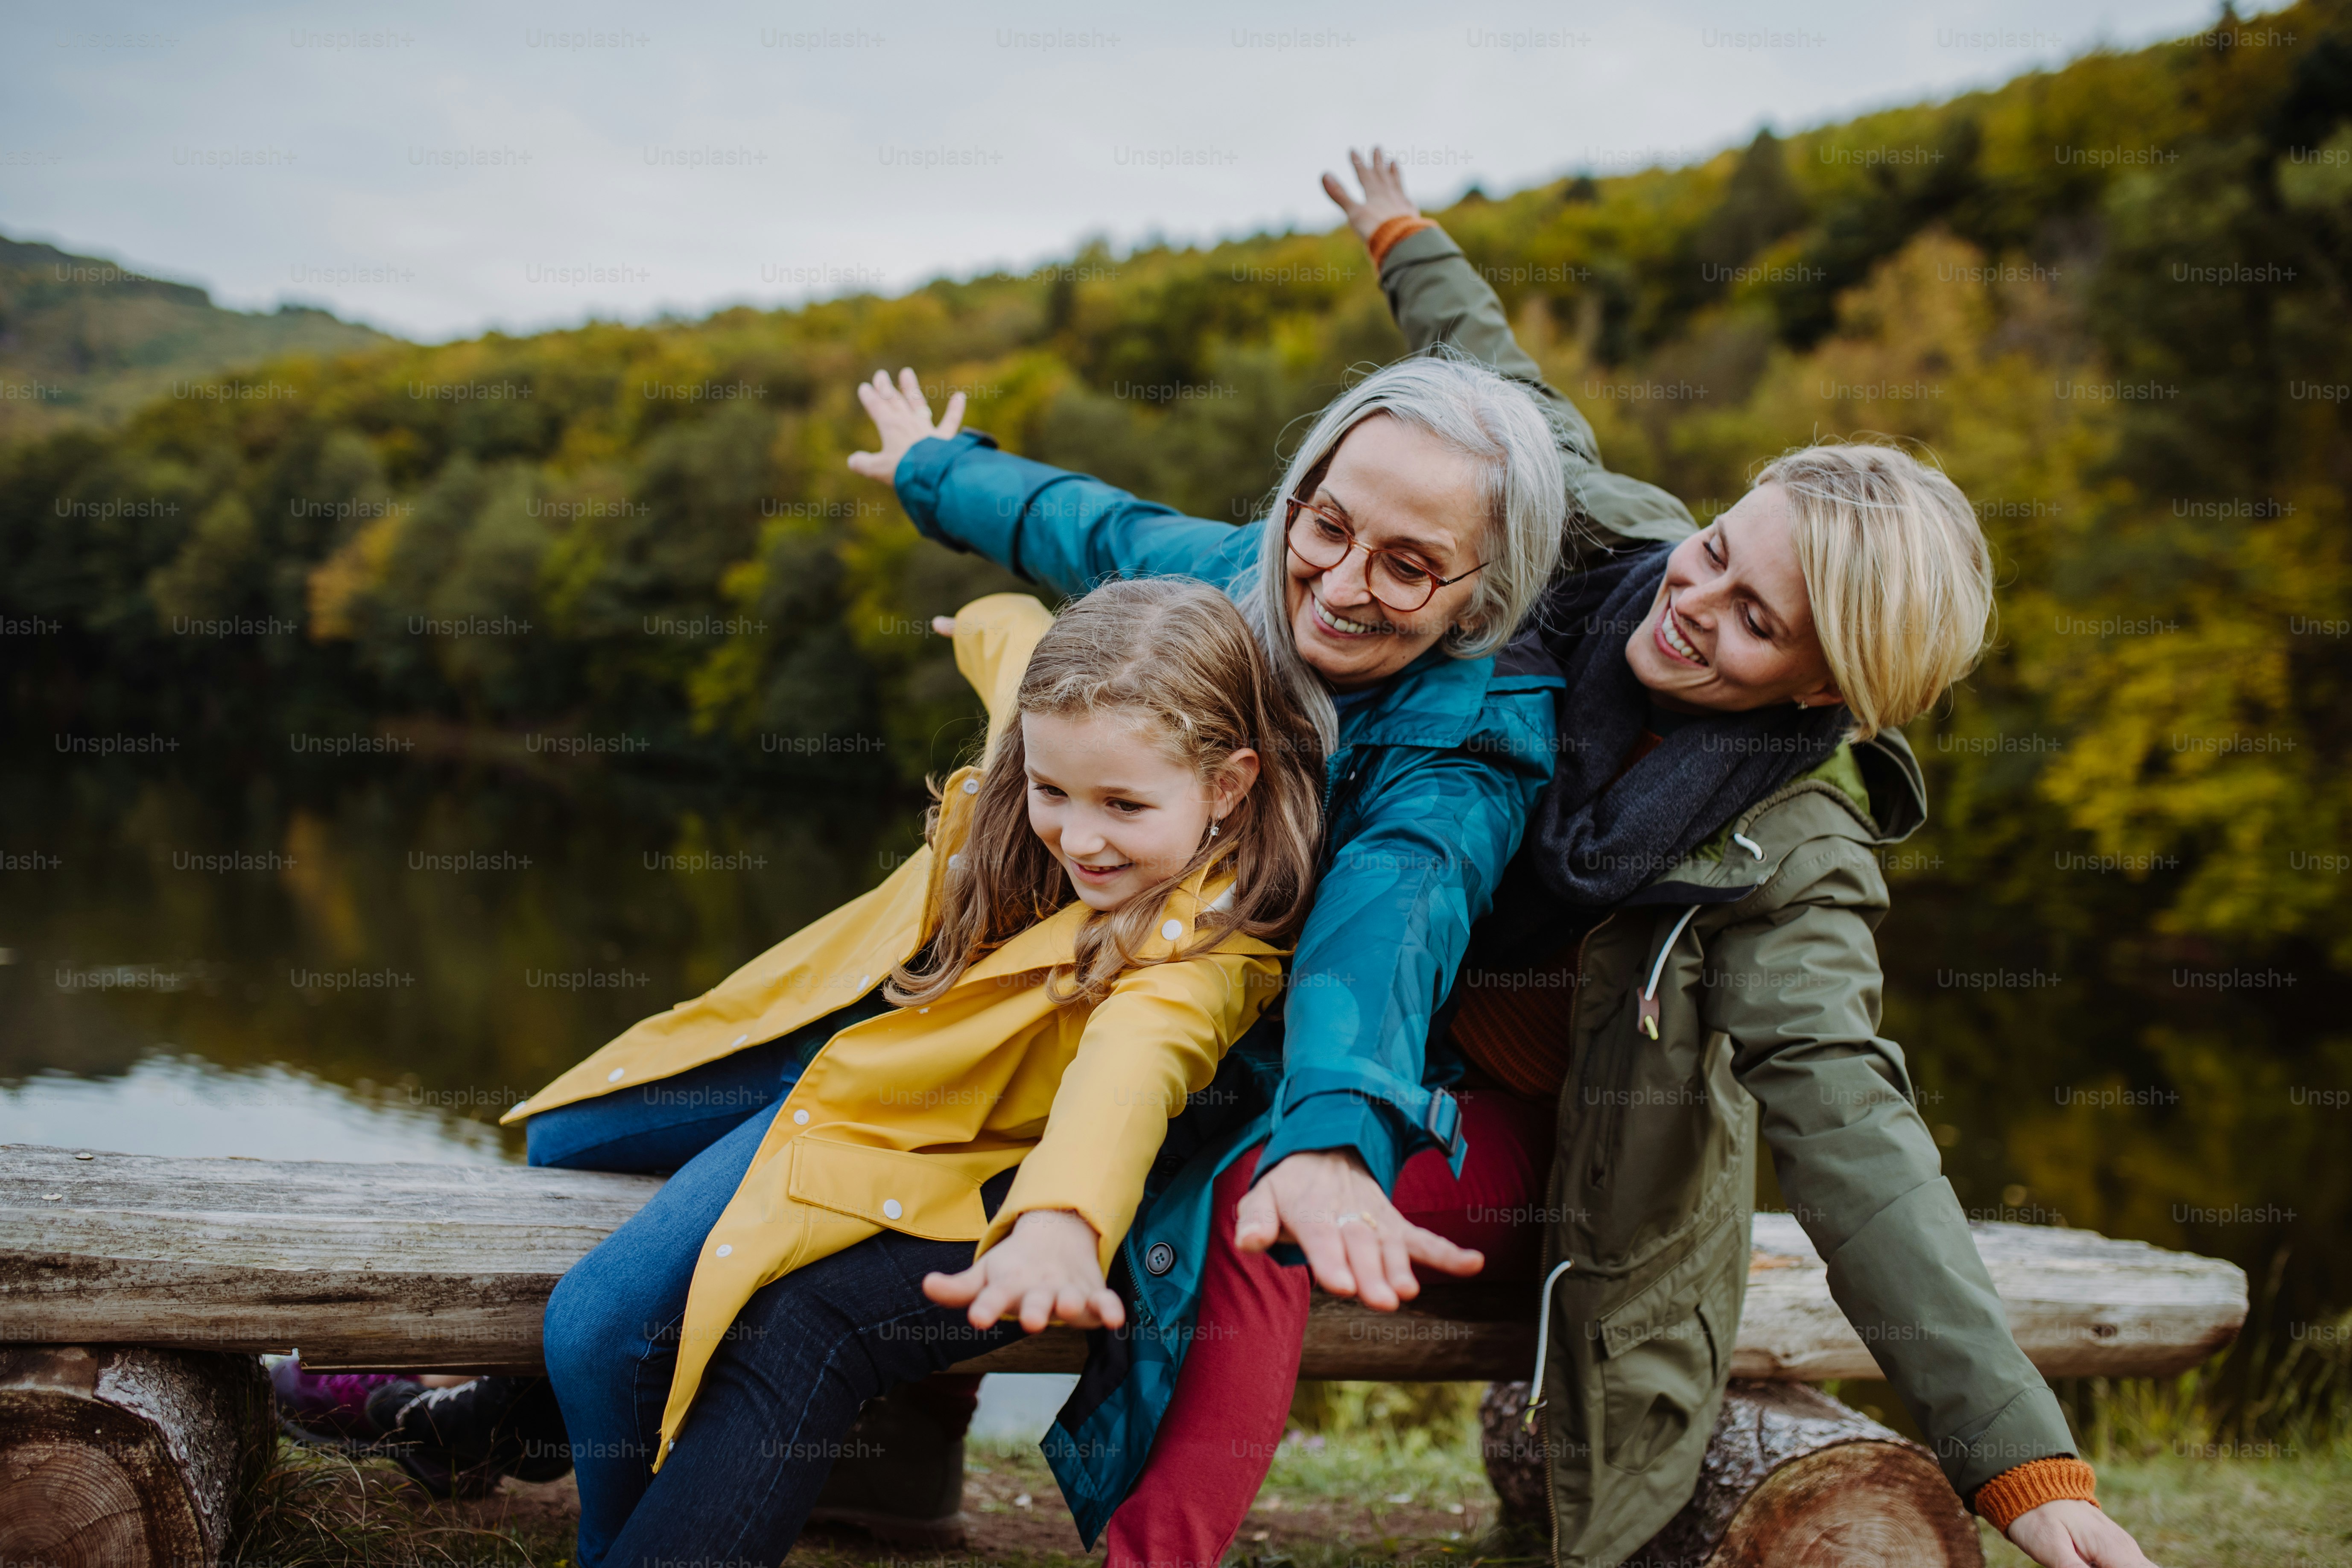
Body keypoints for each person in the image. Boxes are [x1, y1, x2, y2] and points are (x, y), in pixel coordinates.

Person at [1112, 149, 2159, 1568]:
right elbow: (1494, 370)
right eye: (1720, 549)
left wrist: (2026, 1466)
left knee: (1258, 1208)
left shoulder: (1795, 847)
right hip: (1360, 1022)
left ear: (1821, 687)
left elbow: (1855, 1135)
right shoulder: (1602, 542)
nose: (1694, 603)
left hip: (1550, 1148)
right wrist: (1401, 234)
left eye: (1754, 620)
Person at [844, 348, 1573, 1547]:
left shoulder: (1470, 745)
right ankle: (888, 1439)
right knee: (993, 1060)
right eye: (1325, 525)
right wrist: (931, 468)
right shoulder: (1239, 587)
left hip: (1422, 1103)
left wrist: (1334, 1131)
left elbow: (1388, 924)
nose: (1338, 582)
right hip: (1236, 1044)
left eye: (1405, 565)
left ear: (1479, 595)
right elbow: (1090, 528)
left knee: (1253, 1199)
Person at [511, 579, 1323, 1567]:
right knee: (563, 1139)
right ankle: (513, 1420)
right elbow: (1011, 642)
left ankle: (612, 1535)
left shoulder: (1210, 953)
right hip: (852, 1047)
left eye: (1125, 805)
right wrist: (980, 610)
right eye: (1051, 790)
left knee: (606, 1322)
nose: (1079, 835)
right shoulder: (1063, 720)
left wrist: (1063, 1222)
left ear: (1229, 785)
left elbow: (1134, 1071)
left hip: (919, 1127)